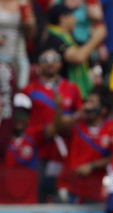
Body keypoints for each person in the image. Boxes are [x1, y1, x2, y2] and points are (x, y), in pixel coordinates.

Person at [23, 48, 82, 203]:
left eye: (54, 59)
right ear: (38, 65)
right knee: (38, 193)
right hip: (38, 150)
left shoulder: (72, 88)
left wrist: (70, 120)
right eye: (45, 60)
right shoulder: (29, 89)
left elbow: (80, 116)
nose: (50, 64)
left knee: (62, 195)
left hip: (64, 151)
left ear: (60, 63)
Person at [56, 86, 113, 203]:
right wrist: (77, 114)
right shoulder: (77, 123)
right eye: (87, 102)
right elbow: (59, 128)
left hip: (95, 189)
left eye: (91, 103)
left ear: (103, 110)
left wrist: (92, 166)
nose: (86, 106)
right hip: (70, 186)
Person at [41, 3, 106, 98]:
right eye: (72, 16)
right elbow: (77, 57)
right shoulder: (54, 37)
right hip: (61, 94)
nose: (75, 20)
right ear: (63, 19)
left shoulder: (68, 37)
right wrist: (96, 38)